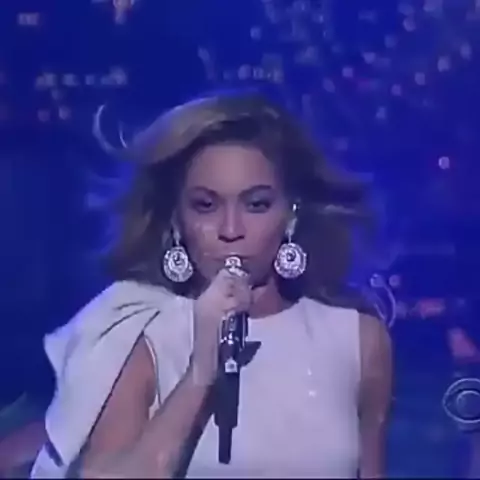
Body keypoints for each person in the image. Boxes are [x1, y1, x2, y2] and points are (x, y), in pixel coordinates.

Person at [29, 90, 392, 478]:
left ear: (291, 213)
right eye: (206, 205)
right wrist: (200, 371)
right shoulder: (141, 336)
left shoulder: (357, 339)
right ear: (176, 218)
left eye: (256, 204)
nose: (231, 230)